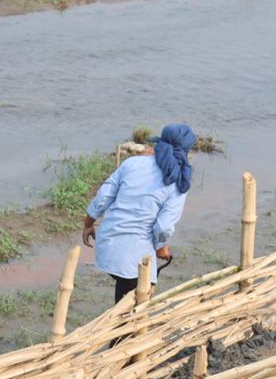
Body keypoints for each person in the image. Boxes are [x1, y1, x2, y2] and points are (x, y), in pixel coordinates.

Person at [83, 123, 196, 303]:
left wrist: (88, 224)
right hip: (135, 256)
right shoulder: (177, 183)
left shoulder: (132, 163)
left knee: (125, 288)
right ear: (186, 152)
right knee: (134, 298)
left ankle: (119, 323)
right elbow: (163, 227)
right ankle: (123, 328)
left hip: (107, 245)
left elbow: (103, 197)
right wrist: (161, 248)